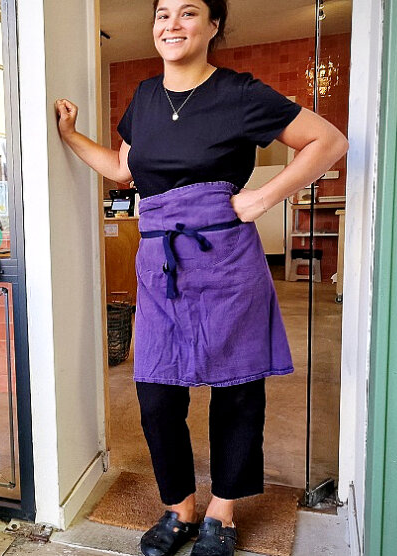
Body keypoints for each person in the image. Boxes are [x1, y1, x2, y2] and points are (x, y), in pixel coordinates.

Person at [54, 1, 347, 555]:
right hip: (159, 263)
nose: (171, 24)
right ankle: (179, 508)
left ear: (213, 26)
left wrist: (261, 197)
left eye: (188, 13)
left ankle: (222, 511)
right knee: (157, 393)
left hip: (227, 261)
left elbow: (328, 141)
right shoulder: (142, 98)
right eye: (163, 13)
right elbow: (123, 171)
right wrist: (71, 137)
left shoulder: (239, 93)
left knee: (236, 391)